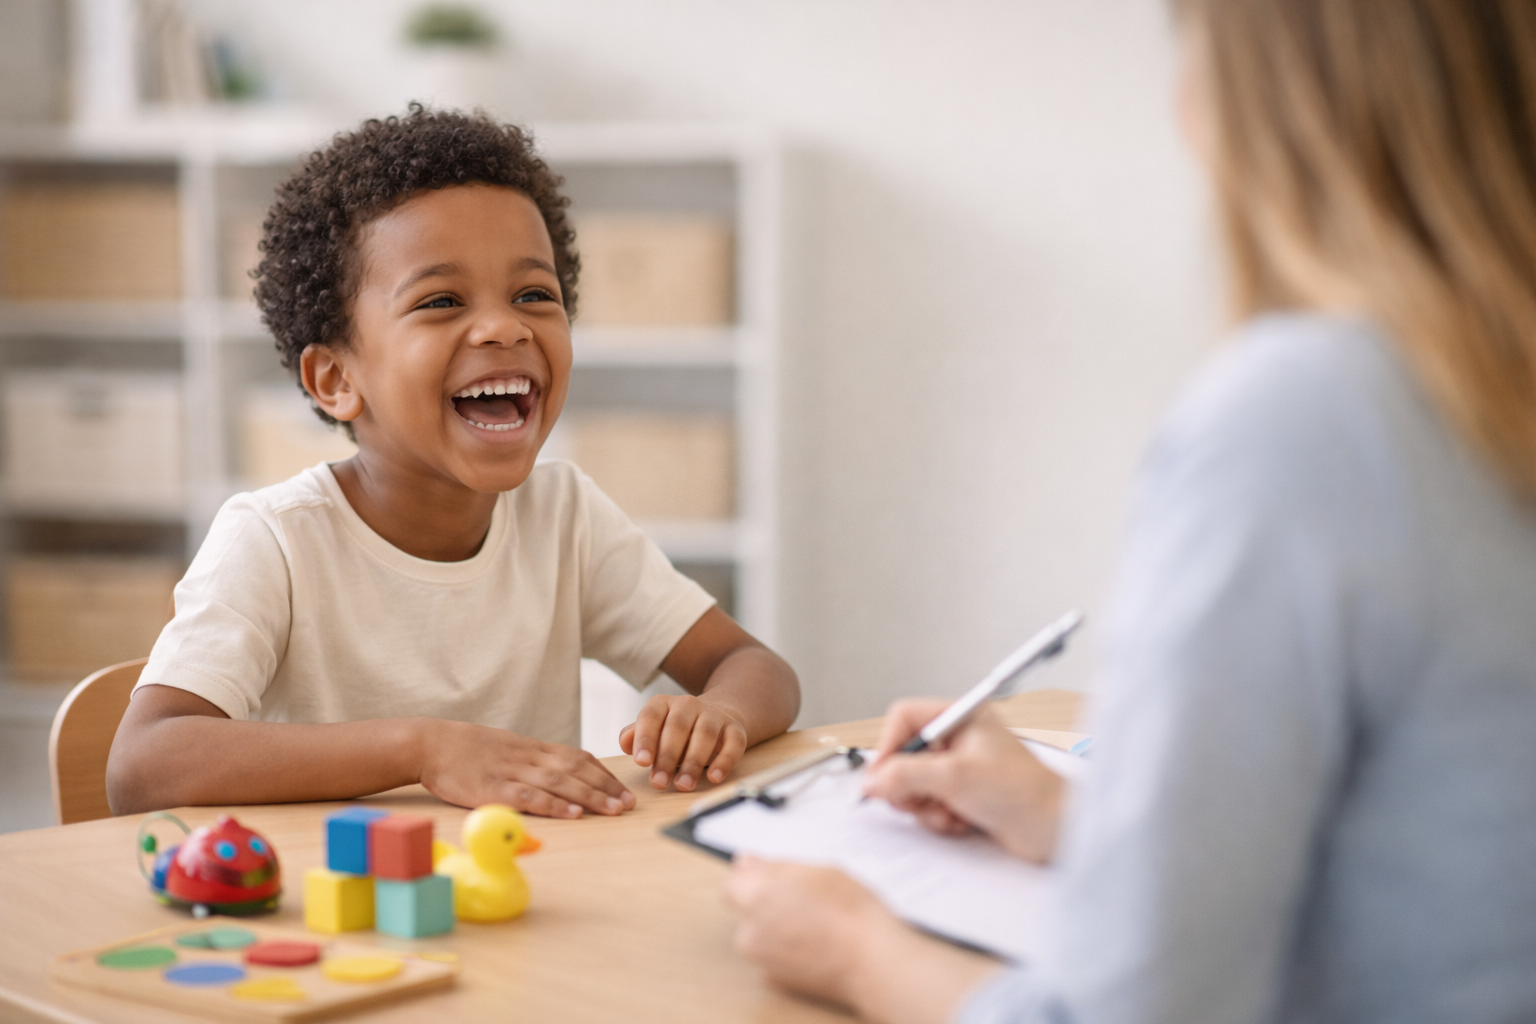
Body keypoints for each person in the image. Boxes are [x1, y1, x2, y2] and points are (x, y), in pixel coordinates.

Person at [725, 1, 1536, 1022]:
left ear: (1263, 104)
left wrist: (856, 951)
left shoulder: (1308, 417)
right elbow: (1447, 846)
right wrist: (1082, 818)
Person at [106, 106, 800, 817]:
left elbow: (753, 667)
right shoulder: (276, 539)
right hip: (334, 906)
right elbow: (143, 764)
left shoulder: (564, 517)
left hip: (524, 896)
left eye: (535, 294)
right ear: (335, 380)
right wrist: (421, 749)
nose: (505, 325)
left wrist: (721, 715)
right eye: (441, 300)